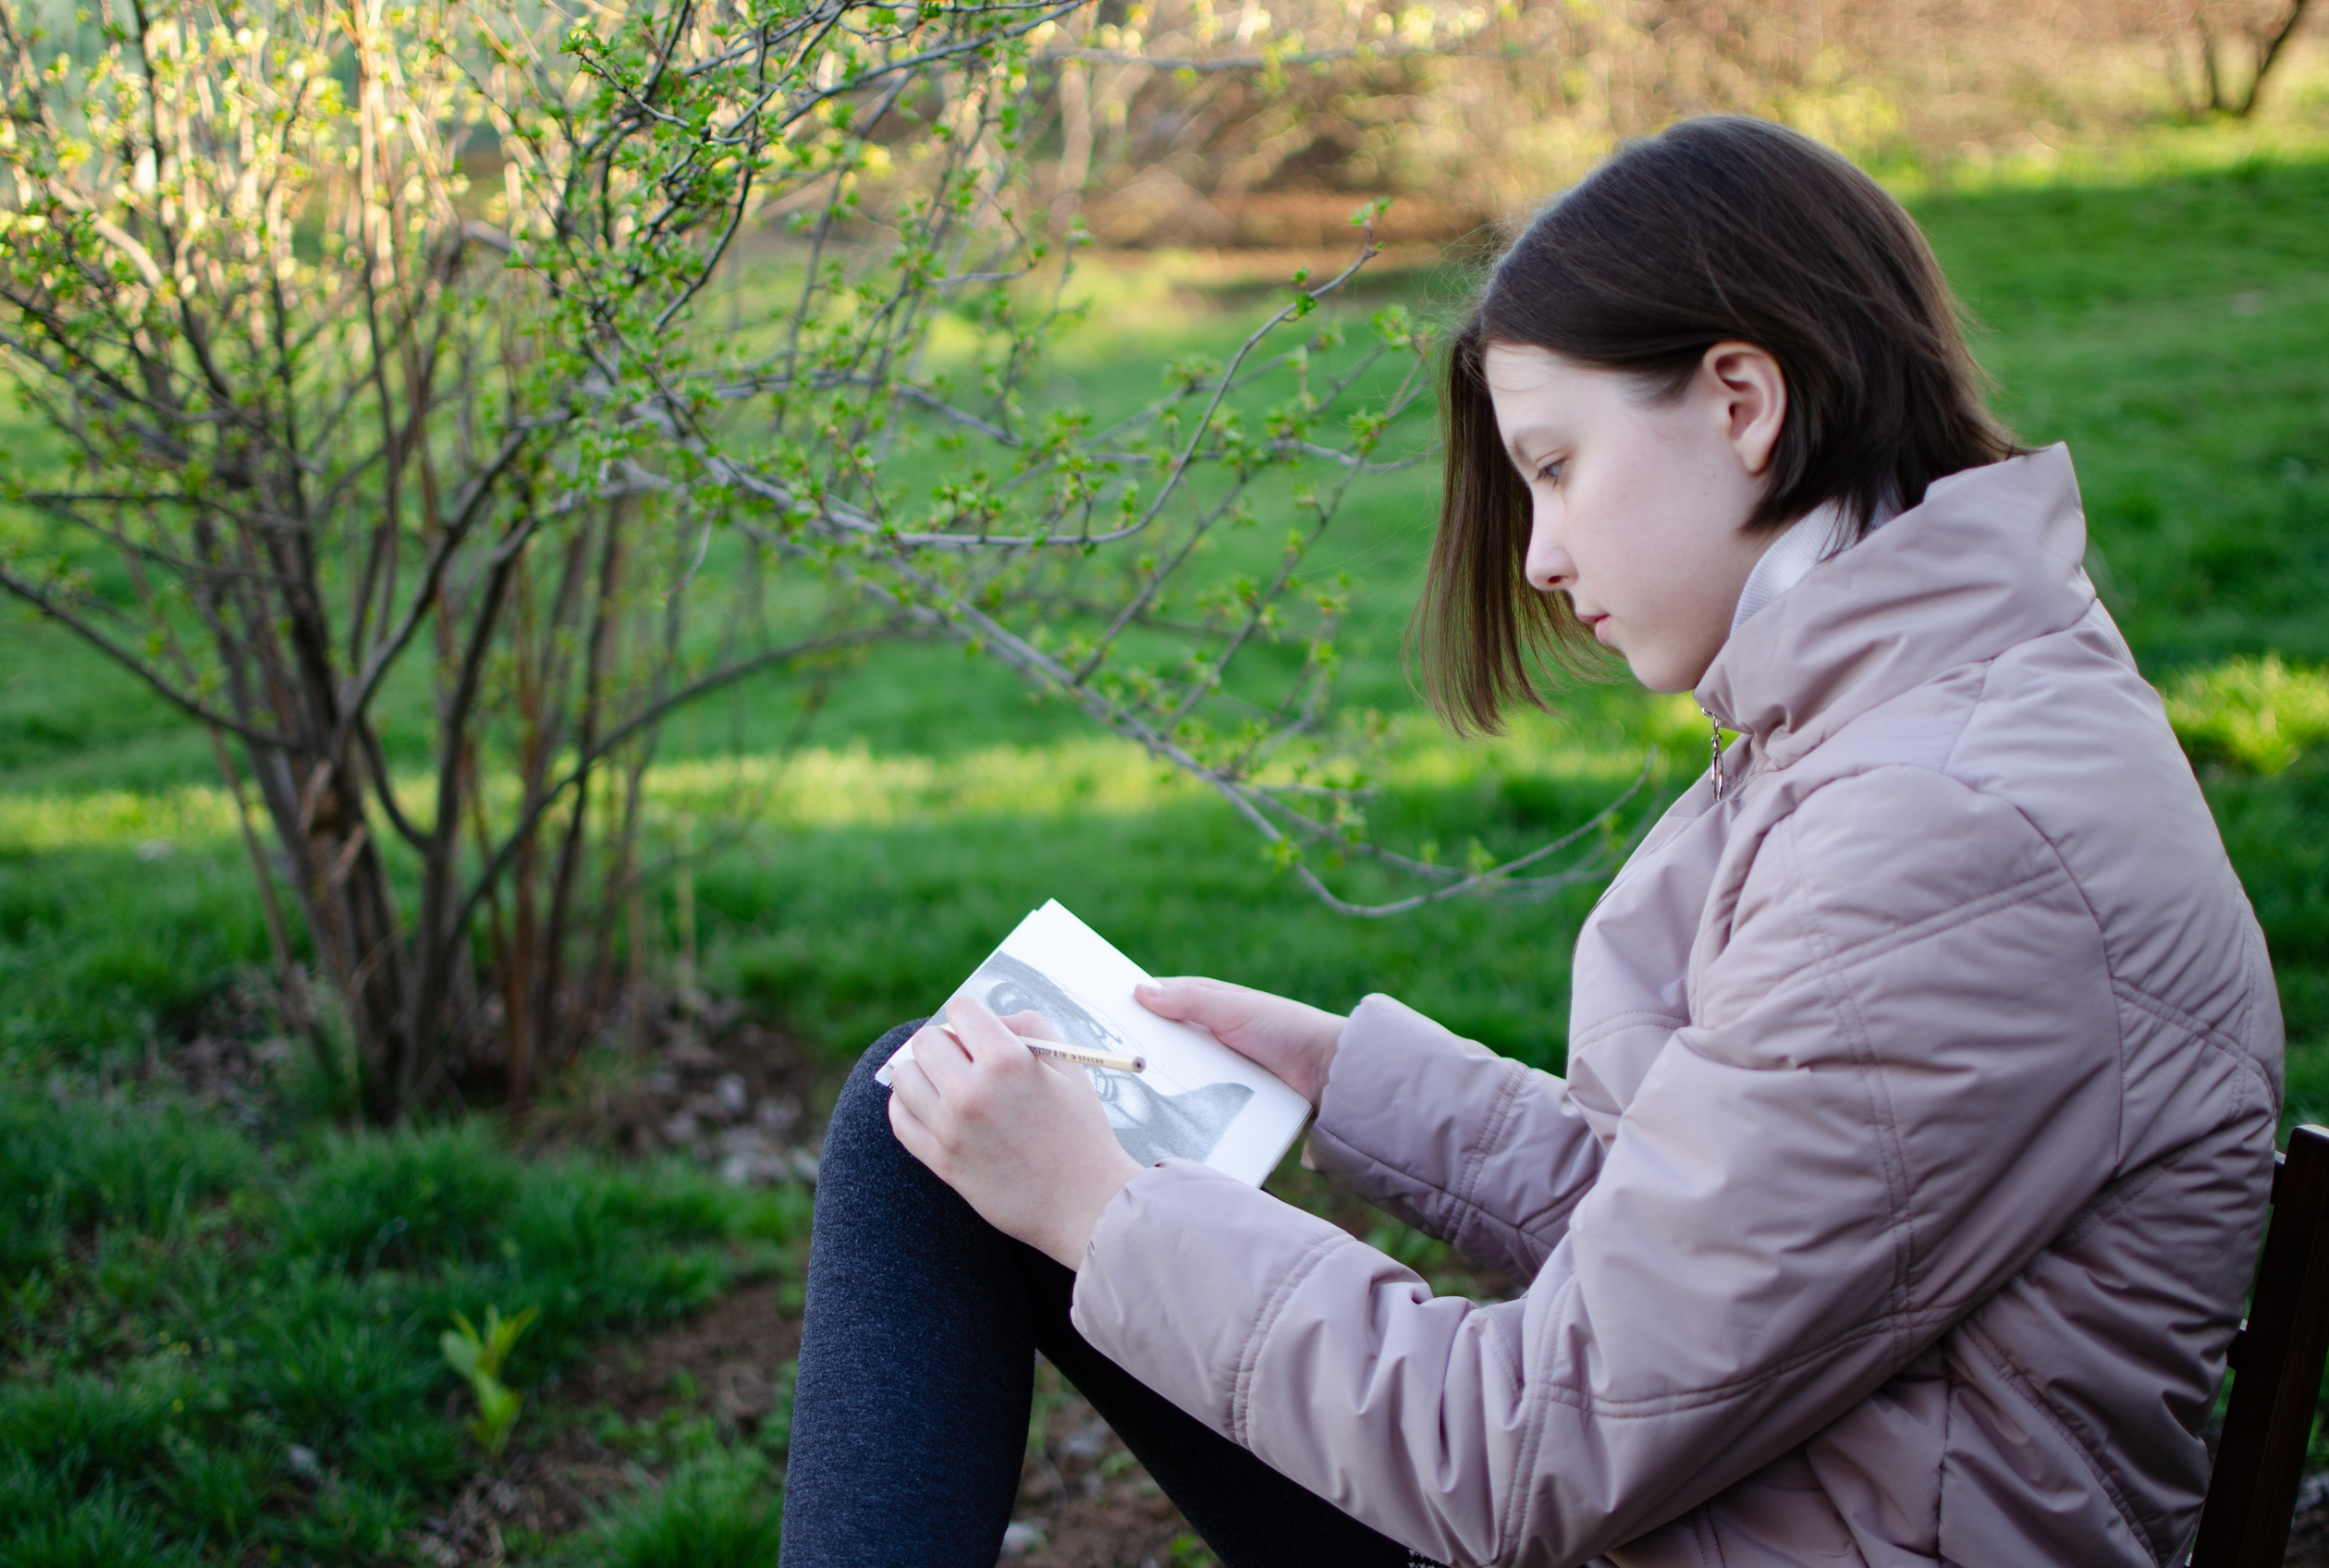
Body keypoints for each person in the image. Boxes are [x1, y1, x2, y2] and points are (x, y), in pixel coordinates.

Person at [780, 116, 2284, 1567]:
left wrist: (1106, 1215)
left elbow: (1525, 1452)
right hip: (1736, 1501)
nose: (1541, 555)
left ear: (1743, 404)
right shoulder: (1928, 717)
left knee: (929, 1129)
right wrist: (1348, 1080)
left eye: (1555, 467)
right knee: (935, 1107)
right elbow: (1729, 1254)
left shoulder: (1943, 838)